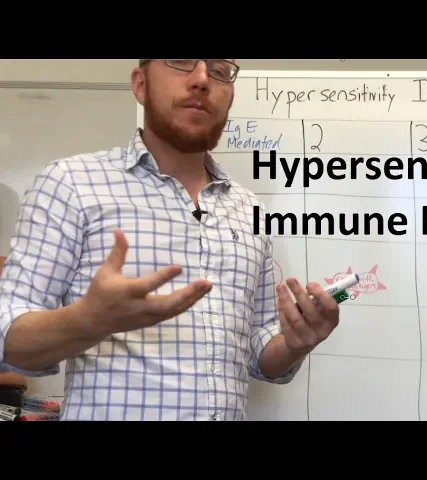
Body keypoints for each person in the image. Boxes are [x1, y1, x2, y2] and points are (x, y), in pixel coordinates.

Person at [0, 59, 341, 421]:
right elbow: (7, 339)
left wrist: (295, 344)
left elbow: (260, 354)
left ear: (229, 96)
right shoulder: (71, 184)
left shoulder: (249, 209)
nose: (202, 79)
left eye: (219, 69)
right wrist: (88, 321)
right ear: (140, 83)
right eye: (180, 61)